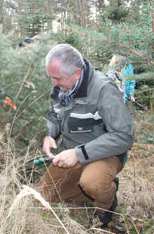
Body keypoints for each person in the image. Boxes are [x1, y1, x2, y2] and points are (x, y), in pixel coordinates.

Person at [35, 44, 134, 228]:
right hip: (71, 152)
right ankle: (88, 188)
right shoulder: (60, 87)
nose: (54, 84)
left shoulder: (104, 89)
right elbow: (53, 116)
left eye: (57, 79)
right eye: (51, 78)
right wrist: (49, 134)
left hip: (106, 154)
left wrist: (79, 154)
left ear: (77, 73)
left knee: (93, 183)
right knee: (43, 196)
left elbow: (124, 136)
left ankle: (105, 206)